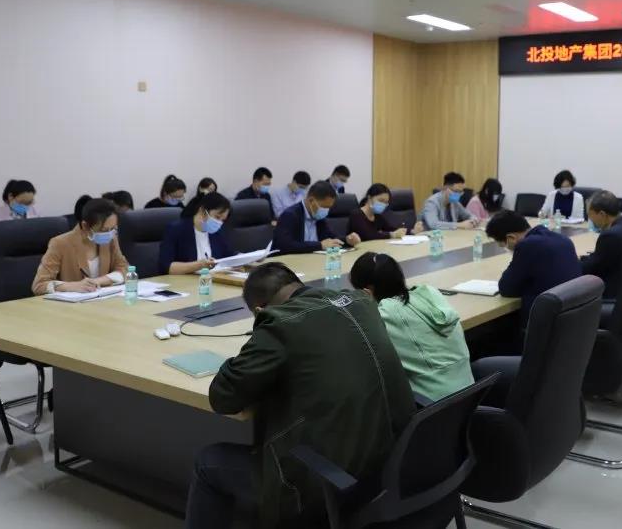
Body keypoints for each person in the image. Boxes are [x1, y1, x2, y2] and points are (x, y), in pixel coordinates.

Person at [186, 263, 415, 529]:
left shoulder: (279, 323)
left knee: (208, 463)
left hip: (336, 484)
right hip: (394, 466)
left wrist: (254, 341)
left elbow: (223, 396)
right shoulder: (361, 302)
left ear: (260, 311)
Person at [349, 252, 474, 401]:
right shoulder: (430, 293)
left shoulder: (382, 315)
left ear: (367, 291)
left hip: (432, 405)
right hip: (469, 392)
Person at [486, 210, 582, 328]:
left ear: (511, 237)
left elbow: (506, 288)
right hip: (572, 321)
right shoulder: (562, 238)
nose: (506, 248)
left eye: (503, 245)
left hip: (544, 326)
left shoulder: (527, 246)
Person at [31, 198, 128, 295]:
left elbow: (125, 269)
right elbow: (39, 285)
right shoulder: (60, 243)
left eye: (113, 228)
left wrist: (98, 281)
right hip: (72, 303)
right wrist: (71, 286)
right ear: (85, 226)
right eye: (104, 230)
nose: (109, 234)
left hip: (102, 300)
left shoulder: (111, 239)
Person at [580, 191, 622, 300]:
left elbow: (590, 269)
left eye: (590, 215)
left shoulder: (610, 236)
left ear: (602, 214)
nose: (590, 220)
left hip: (613, 295)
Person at [273, 181, 360, 254]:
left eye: (329, 208)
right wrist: (319, 245)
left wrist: (347, 240)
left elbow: (330, 239)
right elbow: (284, 246)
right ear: (311, 201)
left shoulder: (319, 218)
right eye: (324, 207)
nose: (327, 211)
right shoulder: (290, 215)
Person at [158, 192, 235, 275]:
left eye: (222, 220)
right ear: (202, 211)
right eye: (217, 217)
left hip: (211, 280)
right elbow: (166, 267)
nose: (219, 223)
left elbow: (228, 255)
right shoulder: (175, 230)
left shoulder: (218, 232)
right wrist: (199, 265)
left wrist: (241, 258)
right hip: (184, 281)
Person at [348, 183, 423, 241]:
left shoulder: (377, 216)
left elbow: (392, 229)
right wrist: (392, 235)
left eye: (386, 202)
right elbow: (369, 235)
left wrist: (412, 231)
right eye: (381, 200)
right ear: (369, 198)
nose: (383, 205)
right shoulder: (356, 215)